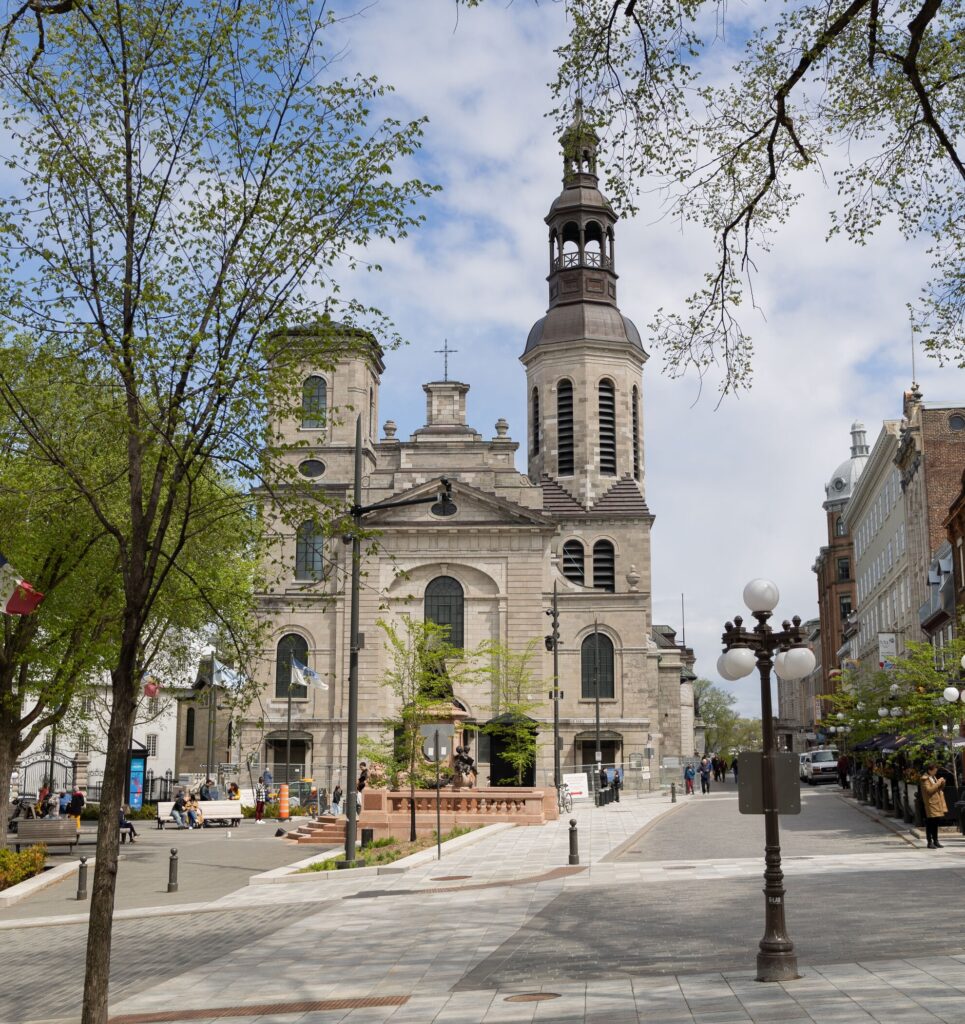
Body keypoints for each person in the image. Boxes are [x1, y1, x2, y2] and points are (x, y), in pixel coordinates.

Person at [921, 763, 947, 849]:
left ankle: (936, 841)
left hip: (937, 802)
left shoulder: (933, 777)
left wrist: (942, 782)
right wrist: (939, 782)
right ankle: (929, 842)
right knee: (930, 823)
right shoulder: (925, 779)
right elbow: (929, 790)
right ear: (929, 770)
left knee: (936, 822)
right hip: (931, 804)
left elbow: (938, 788)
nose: (936, 772)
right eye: (934, 771)